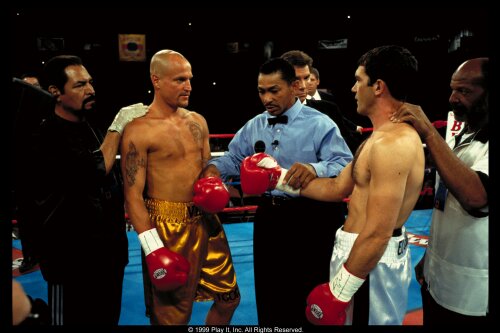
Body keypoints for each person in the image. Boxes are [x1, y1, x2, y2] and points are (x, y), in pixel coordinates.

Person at [244, 45, 424, 325]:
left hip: (369, 260)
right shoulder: (376, 139)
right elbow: (336, 188)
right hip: (355, 254)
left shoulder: (393, 144)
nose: (353, 88)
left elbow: (377, 232)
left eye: (358, 80)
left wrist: (338, 292)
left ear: (378, 87)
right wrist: (275, 176)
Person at [203, 57, 352, 325]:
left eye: (274, 90)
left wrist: (315, 168)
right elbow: (233, 158)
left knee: (310, 295)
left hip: (313, 218)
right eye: (262, 91)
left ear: (294, 87)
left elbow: (345, 163)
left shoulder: (320, 124)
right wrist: (214, 169)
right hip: (270, 218)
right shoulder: (255, 125)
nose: (266, 98)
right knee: (271, 295)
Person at [14, 55, 147, 325]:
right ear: (56, 93)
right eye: (79, 85)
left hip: (107, 255)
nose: (91, 90)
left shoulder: (90, 127)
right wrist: (119, 124)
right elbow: (94, 170)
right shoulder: (45, 135)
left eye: (90, 82)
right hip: (70, 260)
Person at [120, 49, 240, 325]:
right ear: (156, 80)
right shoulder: (140, 130)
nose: (188, 86)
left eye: (189, 78)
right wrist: (154, 249)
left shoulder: (197, 121)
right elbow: (132, 195)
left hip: (206, 220)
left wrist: (213, 181)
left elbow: (207, 165)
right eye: (179, 80)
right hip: (167, 227)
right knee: (173, 316)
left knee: (229, 298)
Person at [391, 58, 489, 325]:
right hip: (438, 278)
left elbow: (476, 198)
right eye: (453, 89)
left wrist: (429, 134)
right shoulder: (465, 133)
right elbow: (444, 206)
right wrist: (431, 260)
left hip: (475, 295)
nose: (453, 98)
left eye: (465, 91)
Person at [281, 50, 363, 153]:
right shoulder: (262, 120)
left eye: (306, 78)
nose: (302, 86)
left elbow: (349, 150)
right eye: (295, 79)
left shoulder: (329, 110)